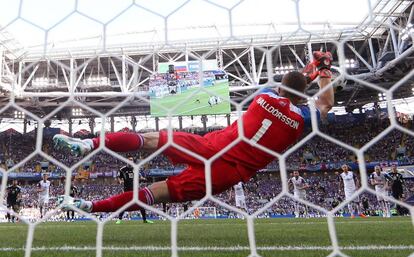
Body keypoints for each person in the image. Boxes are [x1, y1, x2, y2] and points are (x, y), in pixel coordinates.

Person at [54, 52, 335, 215]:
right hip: (231, 172)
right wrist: (325, 69)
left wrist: (312, 69)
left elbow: (292, 87)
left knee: (151, 139)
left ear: (281, 87)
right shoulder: (301, 117)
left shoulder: (263, 96)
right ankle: (88, 205)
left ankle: (88, 142)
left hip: (213, 145)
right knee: (155, 193)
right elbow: (325, 102)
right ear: (302, 97)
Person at [117, 156, 153, 224]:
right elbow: (119, 177)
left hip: (136, 189)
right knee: (124, 204)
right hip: (127, 189)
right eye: (129, 160)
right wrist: (120, 181)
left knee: (141, 204)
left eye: (132, 160)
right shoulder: (123, 169)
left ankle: (145, 220)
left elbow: (139, 176)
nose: (131, 161)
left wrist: (142, 178)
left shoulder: (135, 168)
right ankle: (119, 219)